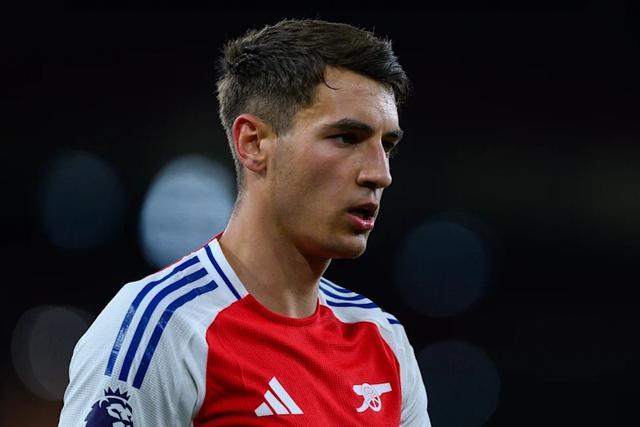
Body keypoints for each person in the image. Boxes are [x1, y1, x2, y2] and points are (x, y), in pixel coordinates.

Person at [59, 19, 431, 426]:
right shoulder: (161, 327)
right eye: (346, 138)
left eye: (387, 145)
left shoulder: (383, 339)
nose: (380, 174)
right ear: (253, 144)